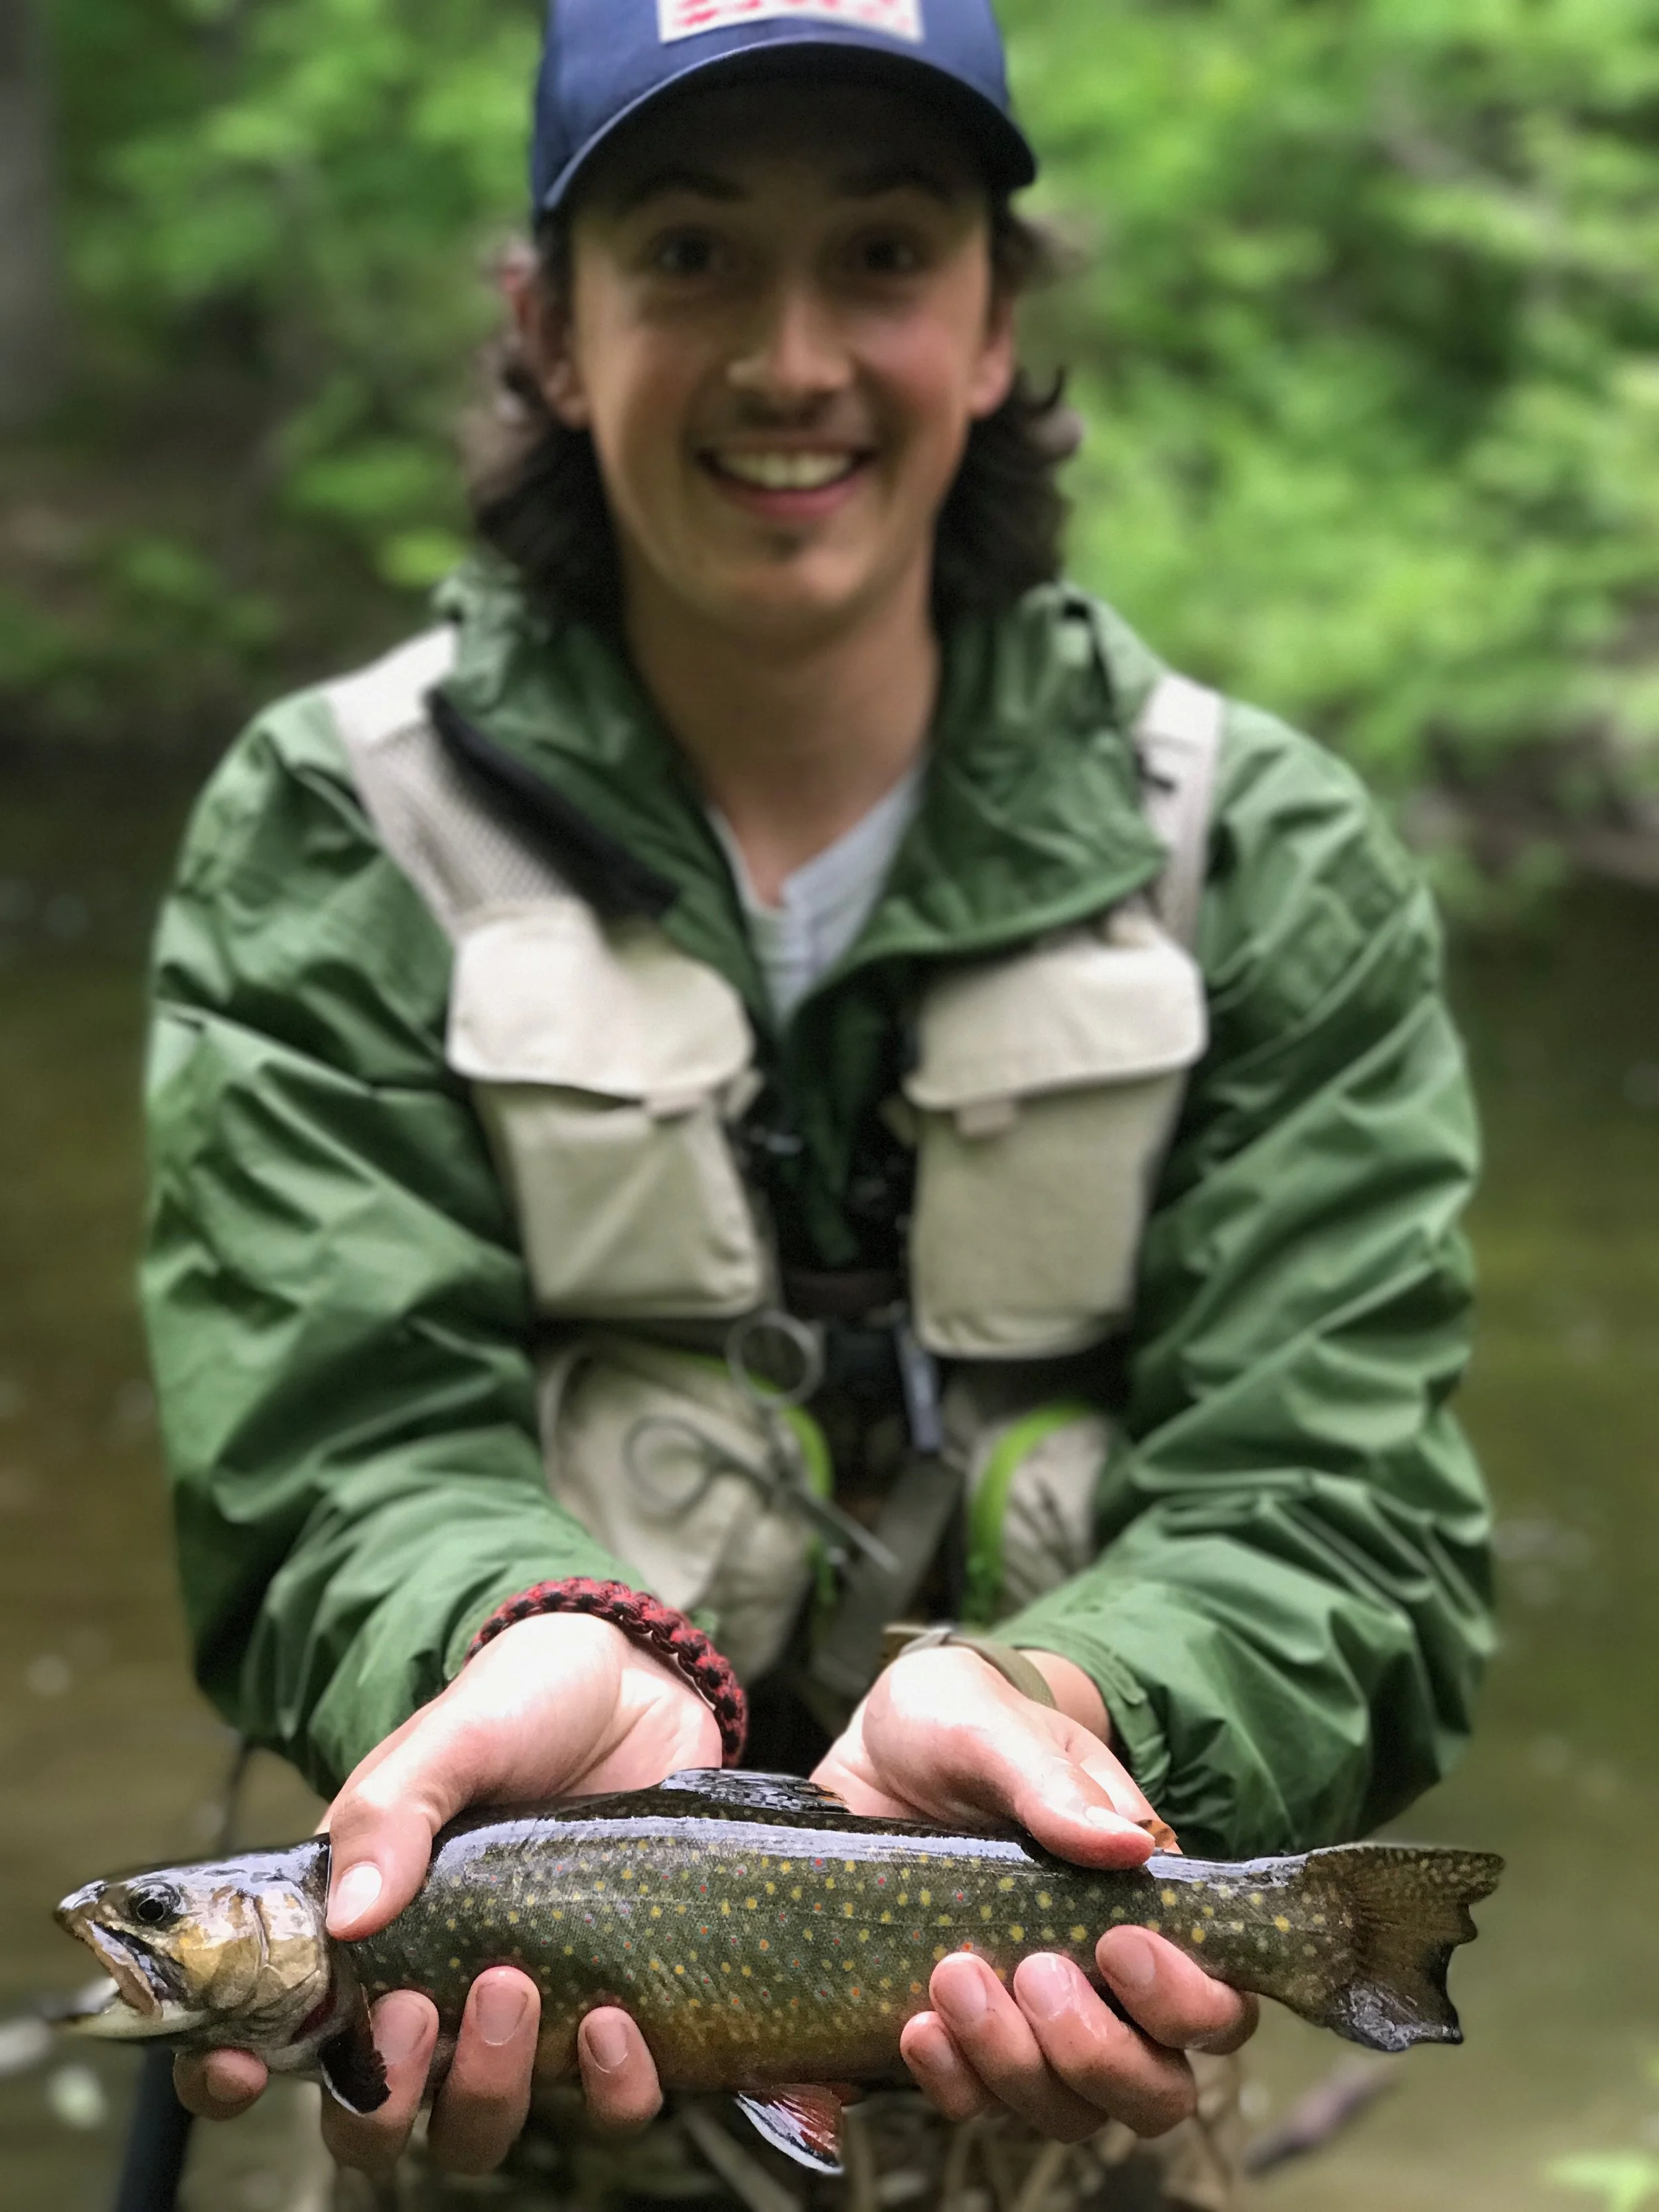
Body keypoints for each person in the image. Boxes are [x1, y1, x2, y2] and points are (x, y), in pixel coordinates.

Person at [139, 2, 1494, 2205]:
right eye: (686, 252)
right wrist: (520, 1642)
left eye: (878, 252)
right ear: (546, 326)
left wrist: (1085, 1721)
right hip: (484, 2080)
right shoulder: (334, 831)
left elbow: (1341, 1506)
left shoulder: (1259, 851)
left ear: (991, 319)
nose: (789, 358)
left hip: (1066, 2075)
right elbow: (326, 1454)